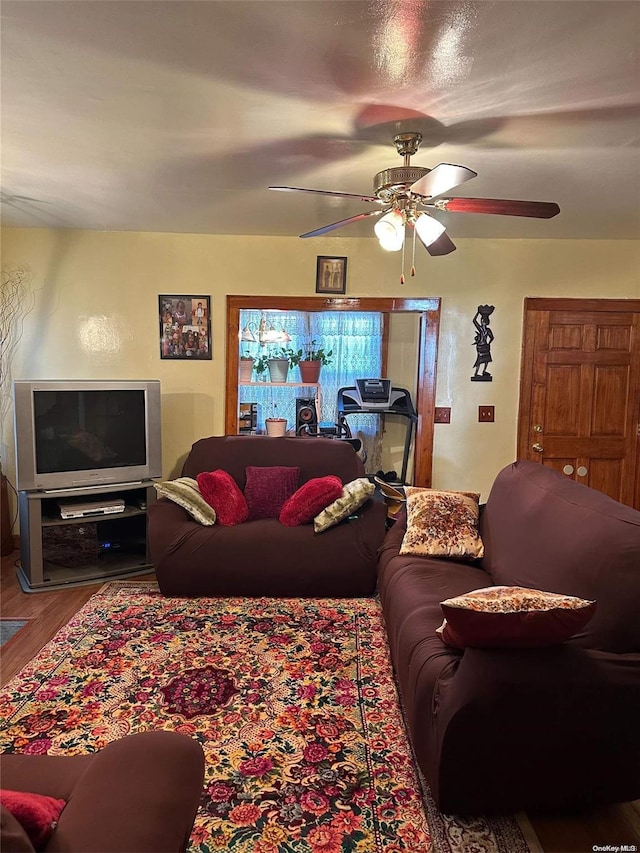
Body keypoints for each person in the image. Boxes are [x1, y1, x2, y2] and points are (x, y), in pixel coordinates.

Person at [472, 305, 494, 380]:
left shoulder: (487, 330)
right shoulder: (480, 329)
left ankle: (484, 371)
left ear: (485, 322)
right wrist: (478, 312)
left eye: (483, 321)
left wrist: (488, 343)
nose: (482, 322)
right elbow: (474, 321)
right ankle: (476, 373)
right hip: (481, 346)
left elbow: (492, 337)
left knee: (486, 359)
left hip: (485, 346)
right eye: (481, 321)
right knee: (480, 359)